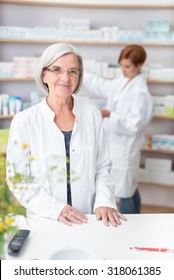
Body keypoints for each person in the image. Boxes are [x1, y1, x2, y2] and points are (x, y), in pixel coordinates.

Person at [6, 43, 126, 227]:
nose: (65, 78)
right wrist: (56, 209)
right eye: (56, 70)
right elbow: (18, 178)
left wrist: (104, 201)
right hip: (45, 218)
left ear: (79, 77)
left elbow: (102, 166)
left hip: (89, 218)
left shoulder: (92, 114)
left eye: (73, 71)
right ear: (44, 74)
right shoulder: (24, 121)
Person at [83, 44, 154, 214]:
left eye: (128, 67)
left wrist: (109, 115)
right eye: (121, 65)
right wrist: (79, 72)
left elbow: (134, 125)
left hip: (126, 148)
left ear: (139, 66)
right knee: (128, 187)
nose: (123, 70)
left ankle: (130, 226)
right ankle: (138, 218)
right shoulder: (123, 82)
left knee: (125, 191)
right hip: (115, 146)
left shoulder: (140, 92)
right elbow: (101, 85)